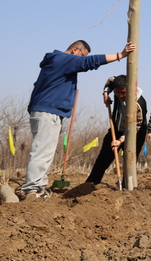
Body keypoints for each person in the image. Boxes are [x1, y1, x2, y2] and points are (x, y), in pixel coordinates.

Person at [21, 40, 135, 198]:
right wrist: (120, 55)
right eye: (80, 57)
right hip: (47, 111)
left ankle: (38, 188)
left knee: (46, 151)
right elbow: (90, 62)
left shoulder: (56, 63)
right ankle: (32, 190)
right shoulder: (62, 59)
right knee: (41, 151)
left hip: (47, 110)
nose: (79, 62)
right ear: (75, 50)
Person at [85, 75, 148, 185]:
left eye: (123, 93)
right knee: (104, 157)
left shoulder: (139, 104)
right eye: (117, 92)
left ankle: (127, 186)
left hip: (135, 133)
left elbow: (136, 127)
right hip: (116, 127)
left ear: (131, 90)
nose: (119, 95)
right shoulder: (117, 86)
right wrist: (105, 94)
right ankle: (90, 183)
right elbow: (110, 80)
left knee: (129, 160)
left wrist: (120, 140)